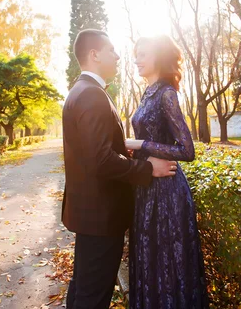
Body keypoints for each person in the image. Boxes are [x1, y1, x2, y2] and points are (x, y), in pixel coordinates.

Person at [62, 29, 178, 309]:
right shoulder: (92, 95)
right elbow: (101, 160)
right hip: (102, 217)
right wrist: (147, 168)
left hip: (90, 215)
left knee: (82, 290)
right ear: (94, 55)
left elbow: (92, 153)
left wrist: (119, 151)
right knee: (92, 297)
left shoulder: (82, 91)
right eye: (111, 50)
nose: (117, 56)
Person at [126, 35, 209, 308]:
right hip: (147, 188)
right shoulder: (147, 92)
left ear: (159, 57)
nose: (136, 59)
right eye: (136, 54)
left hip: (167, 192)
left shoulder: (166, 94)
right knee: (150, 259)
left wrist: (140, 144)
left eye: (143, 54)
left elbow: (187, 150)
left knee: (168, 264)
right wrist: (136, 152)